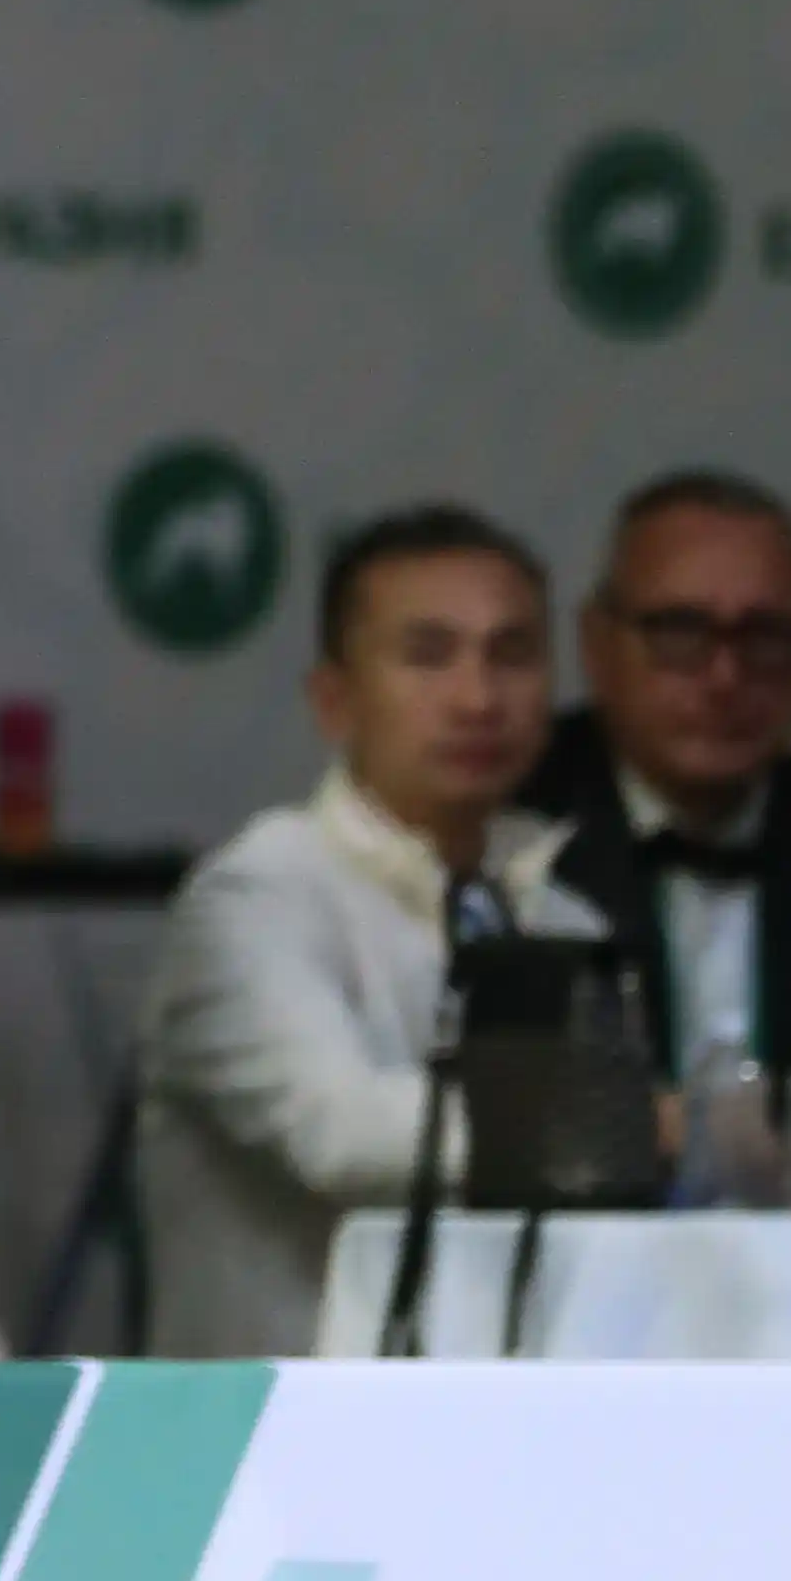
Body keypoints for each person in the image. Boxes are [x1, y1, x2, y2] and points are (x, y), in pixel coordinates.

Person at [136, 501, 607, 1356]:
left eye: (511, 656)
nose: (478, 698)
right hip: (280, 1418)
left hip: (507, 1411)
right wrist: (619, 1120)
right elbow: (341, 1134)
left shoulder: (561, 914)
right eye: (428, 656)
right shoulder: (255, 897)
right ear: (335, 700)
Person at [536, 470, 791, 1103]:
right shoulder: (499, 829)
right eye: (680, 632)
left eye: (766, 636)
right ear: (596, 645)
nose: (725, 676)